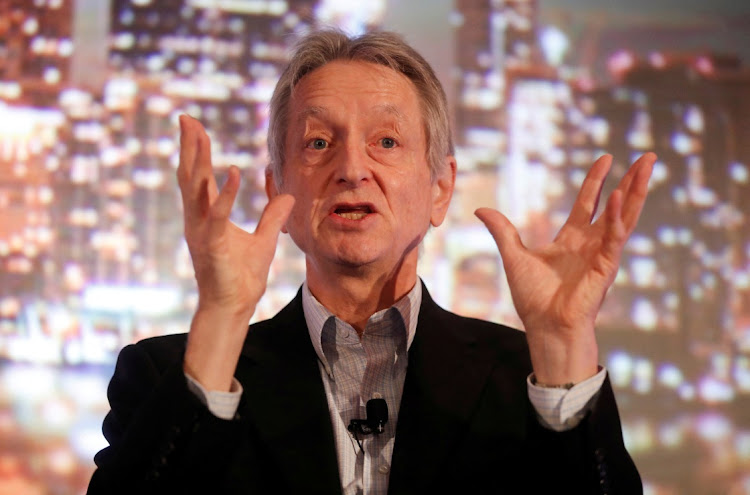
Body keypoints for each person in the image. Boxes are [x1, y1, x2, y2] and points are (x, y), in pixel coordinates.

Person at [87, 30, 654, 494]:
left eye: (386, 142)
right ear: (276, 192)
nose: (352, 167)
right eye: (316, 143)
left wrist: (560, 342)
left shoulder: (530, 380)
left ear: (441, 188)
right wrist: (222, 318)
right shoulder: (165, 376)